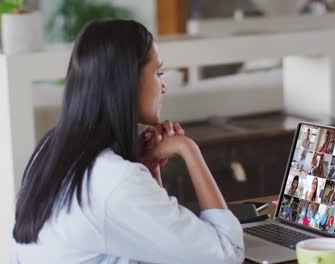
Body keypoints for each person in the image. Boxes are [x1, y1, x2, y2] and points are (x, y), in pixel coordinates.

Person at [11, 20, 244, 264]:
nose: (163, 86)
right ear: (127, 83)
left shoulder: (50, 150)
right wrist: (189, 149)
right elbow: (227, 253)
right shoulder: (115, 179)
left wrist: (151, 169)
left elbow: (160, 246)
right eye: (158, 73)